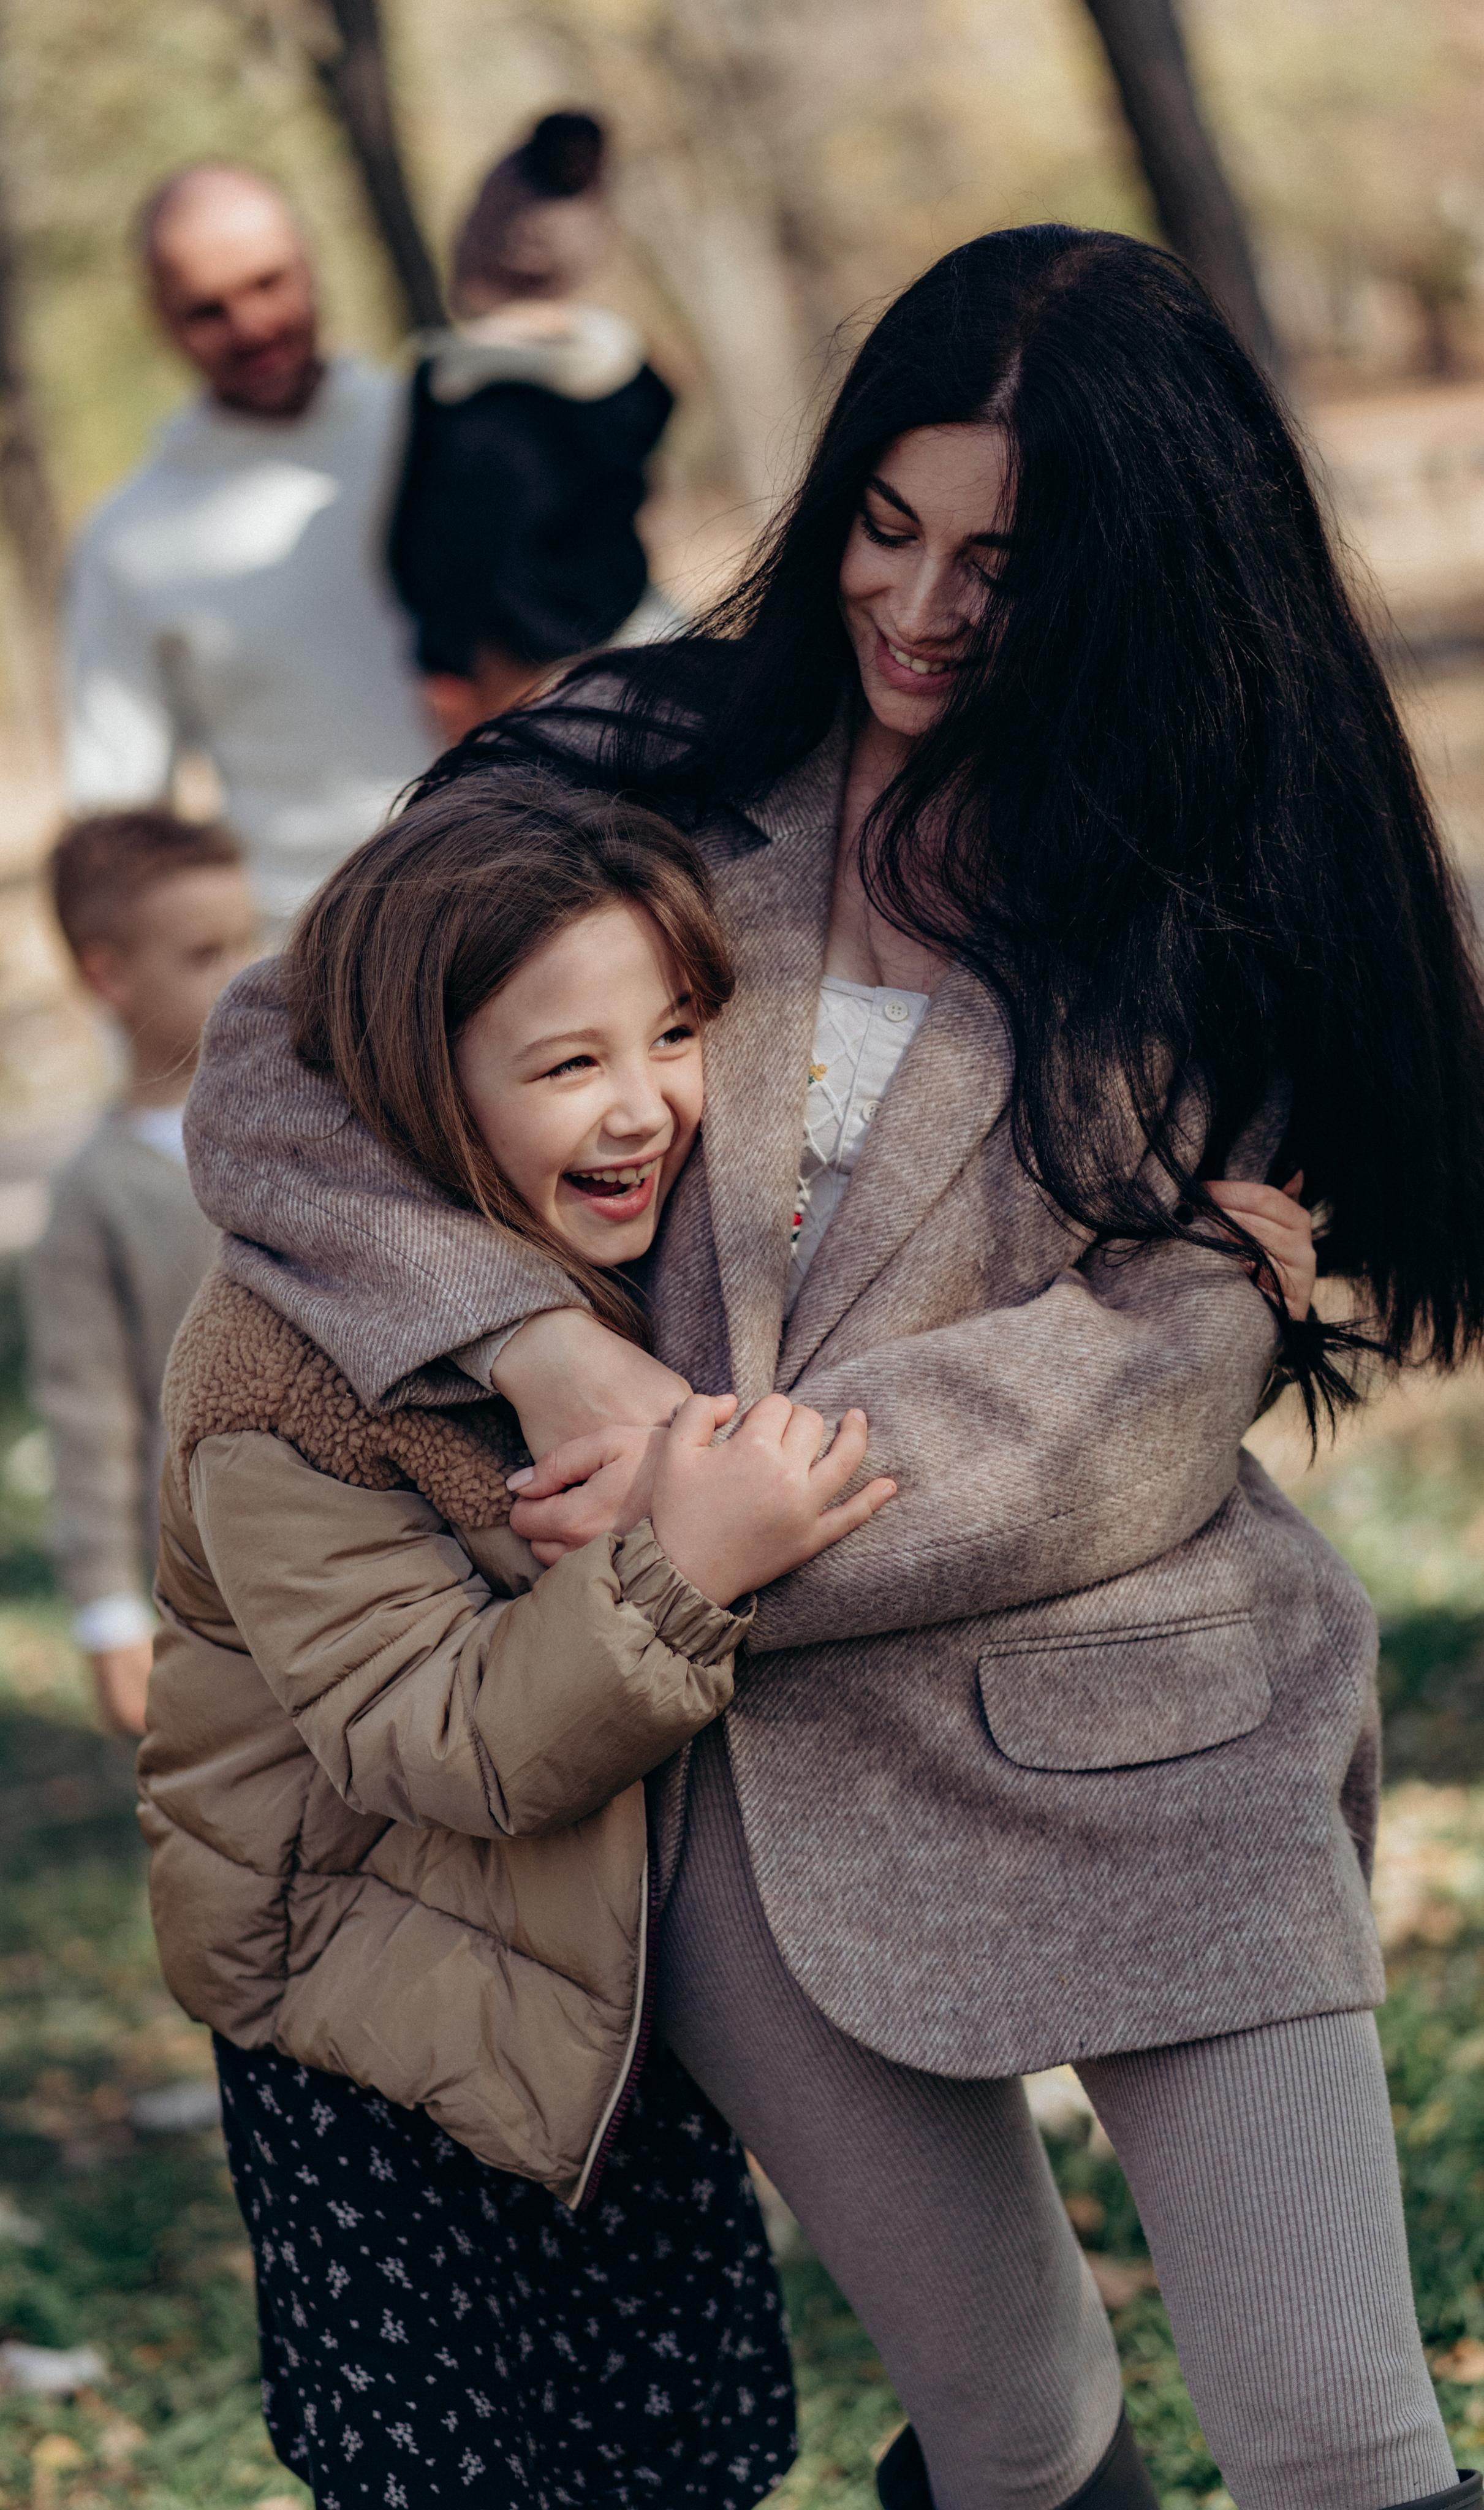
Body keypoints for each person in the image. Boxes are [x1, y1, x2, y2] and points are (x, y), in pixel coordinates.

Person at [180, 222, 1484, 2510]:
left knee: (1339, 2432)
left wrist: (746, 1504)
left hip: (1152, 1716)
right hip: (737, 1780)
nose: (917, 606)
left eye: (1007, 561)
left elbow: (1152, 1389)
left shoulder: (1246, 883)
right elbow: (278, 1073)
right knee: (1009, 2429)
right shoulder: (637, 753)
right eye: (886, 524)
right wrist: (551, 1371)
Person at [140, 781, 896, 2509]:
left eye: (676, 1035)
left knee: (681, 2454)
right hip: (367, 2040)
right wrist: (683, 1567)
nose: (642, 1107)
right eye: (566, 1067)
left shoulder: (669, 1259)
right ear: (419, 1081)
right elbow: (435, 1738)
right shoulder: (271, 1368)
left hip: (613, 2005)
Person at [64, 164, 431, 932]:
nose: (252, 327)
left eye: (269, 283)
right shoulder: (129, 540)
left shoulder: (434, 432)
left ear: (310, 264)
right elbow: (118, 814)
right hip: (313, 950)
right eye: (208, 310)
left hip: (526, 895)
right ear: (160, 319)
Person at [23, 809, 257, 1735]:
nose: (242, 973)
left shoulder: (307, 1124)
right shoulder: (97, 1196)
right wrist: (109, 1614)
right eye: (204, 954)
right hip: (209, 1582)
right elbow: (87, 1417)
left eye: (247, 939)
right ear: (108, 975)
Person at [389, 110, 680, 748]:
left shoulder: (458, 396)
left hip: (516, 681)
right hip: (630, 638)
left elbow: (442, 545)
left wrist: (441, 663)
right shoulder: (633, 381)